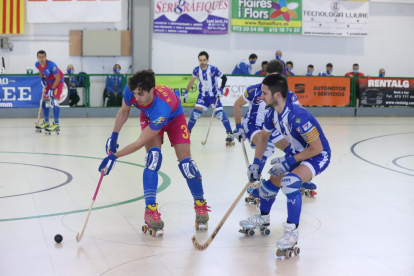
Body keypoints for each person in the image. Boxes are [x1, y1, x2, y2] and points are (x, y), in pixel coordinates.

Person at [99, 70, 211, 236]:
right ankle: (150, 211)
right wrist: (114, 136)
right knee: (153, 159)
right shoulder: (132, 90)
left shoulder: (161, 108)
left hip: (174, 118)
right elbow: (124, 111)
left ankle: (200, 205)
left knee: (187, 165)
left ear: (151, 90)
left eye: (141, 94)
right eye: (135, 94)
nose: (136, 98)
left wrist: (114, 156)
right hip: (148, 117)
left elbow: (139, 141)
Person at [244, 74, 331, 257]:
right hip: (297, 153)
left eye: (264, 93)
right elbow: (263, 138)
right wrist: (255, 164)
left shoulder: (298, 116)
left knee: (289, 182)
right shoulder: (272, 114)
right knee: (268, 187)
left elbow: (317, 148)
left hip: (317, 155)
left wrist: (289, 162)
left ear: (277, 95)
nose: (261, 97)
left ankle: (291, 233)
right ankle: (263, 218)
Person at [233, 60, 317, 207]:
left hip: (273, 128)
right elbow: (237, 104)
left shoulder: (287, 94)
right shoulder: (254, 90)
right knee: (267, 147)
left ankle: (299, 178)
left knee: (295, 151)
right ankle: (254, 186)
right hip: (254, 127)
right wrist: (239, 127)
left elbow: (301, 112)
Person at [183, 51, 234, 146]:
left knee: (220, 115)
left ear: (207, 60)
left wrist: (221, 89)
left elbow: (224, 78)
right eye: (200, 60)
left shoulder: (213, 69)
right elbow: (191, 81)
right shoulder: (196, 70)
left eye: (204, 60)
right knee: (195, 114)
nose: (202, 62)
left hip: (214, 96)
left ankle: (230, 134)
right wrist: (186, 92)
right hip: (202, 96)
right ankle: (187, 133)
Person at [34, 50, 64, 133]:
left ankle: (56, 124)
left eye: (43, 57)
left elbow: (57, 78)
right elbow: (40, 71)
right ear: (37, 58)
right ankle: (46, 122)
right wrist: (42, 78)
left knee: (54, 101)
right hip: (49, 82)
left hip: (58, 82)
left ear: (45, 57)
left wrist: (52, 89)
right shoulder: (37, 64)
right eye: (40, 57)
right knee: (43, 101)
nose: (41, 59)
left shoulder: (52, 65)